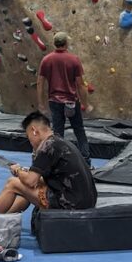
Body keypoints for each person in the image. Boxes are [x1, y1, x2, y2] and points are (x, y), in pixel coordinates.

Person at [0, 112, 96, 222]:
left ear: (34, 130)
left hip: (71, 204)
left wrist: (18, 171)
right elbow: (48, 179)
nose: (30, 141)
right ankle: (2, 220)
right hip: (86, 201)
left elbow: (31, 181)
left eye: (28, 137)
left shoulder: (47, 146)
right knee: (25, 188)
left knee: (12, 184)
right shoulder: (59, 141)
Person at [37, 32, 92, 164]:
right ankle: (86, 161)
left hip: (54, 101)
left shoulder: (47, 60)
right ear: (66, 43)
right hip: (71, 101)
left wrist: (41, 103)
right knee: (79, 130)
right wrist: (86, 103)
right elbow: (80, 84)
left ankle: (58, 161)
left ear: (55, 43)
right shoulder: (74, 59)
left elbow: (40, 82)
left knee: (57, 133)